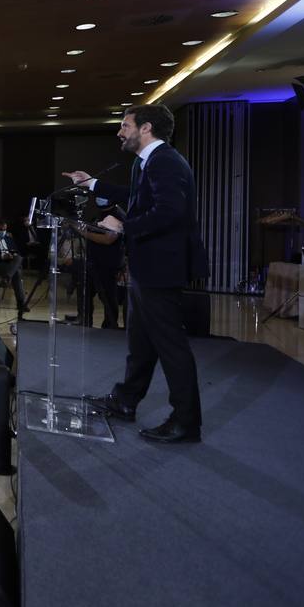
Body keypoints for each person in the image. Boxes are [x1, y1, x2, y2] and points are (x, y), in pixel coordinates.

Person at [64, 103, 209, 444]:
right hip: (149, 267)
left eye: (125, 125)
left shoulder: (166, 162)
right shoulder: (148, 163)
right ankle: (125, 400)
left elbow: (170, 213)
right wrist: (92, 184)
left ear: (146, 128)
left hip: (162, 267)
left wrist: (125, 226)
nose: (120, 131)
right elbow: (136, 197)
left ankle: (186, 422)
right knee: (141, 344)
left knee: (171, 348)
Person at [80, 206, 125, 329]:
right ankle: (85, 323)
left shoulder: (116, 214)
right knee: (86, 294)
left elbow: (108, 239)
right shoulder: (101, 213)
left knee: (108, 297)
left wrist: (84, 233)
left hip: (108, 264)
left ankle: (110, 327)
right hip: (93, 262)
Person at [0, 219, 30, 317]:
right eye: (1, 229)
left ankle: (7, 277)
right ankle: (21, 303)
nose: (3, 231)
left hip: (10, 264)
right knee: (16, 272)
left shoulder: (9, 239)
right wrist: (2, 256)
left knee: (19, 258)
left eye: (5, 229)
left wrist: (12, 255)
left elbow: (17, 251)